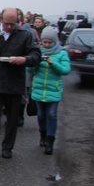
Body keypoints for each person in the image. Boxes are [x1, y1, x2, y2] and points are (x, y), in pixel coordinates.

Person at [0, 7, 41, 160]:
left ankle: (7, 147)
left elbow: (36, 55)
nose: (9, 27)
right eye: (7, 24)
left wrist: (24, 59)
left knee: (12, 118)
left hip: (15, 82)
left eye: (13, 24)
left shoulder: (25, 35)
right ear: (1, 20)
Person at [29, 27, 70, 155]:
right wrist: (35, 63)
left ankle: (50, 140)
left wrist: (53, 63)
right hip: (39, 89)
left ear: (55, 42)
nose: (46, 45)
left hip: (54, 90)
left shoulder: (62, 53)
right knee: (41, 115)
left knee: (51, 115)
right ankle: (43, 134)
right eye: (44, 42)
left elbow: (66, 70)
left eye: (49, 43)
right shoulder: (38, 52)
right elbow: (29, 70)